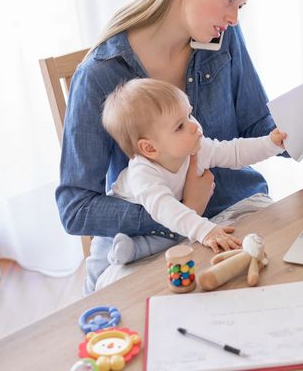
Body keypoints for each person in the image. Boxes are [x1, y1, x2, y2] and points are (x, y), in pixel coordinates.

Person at [56, 0, 303, 295]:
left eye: (241, 4)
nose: (234, 19)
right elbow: (75, 208)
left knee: (301, 286)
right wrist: (181, 211)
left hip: (239, 209)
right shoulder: (101, 74)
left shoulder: (224, 38)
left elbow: (254, 124)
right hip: (150, 237)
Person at [101, 78, 286, 269]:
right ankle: (128, 251)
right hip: (131, 228)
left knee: (172, 236)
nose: (195, 126)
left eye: (189, 115)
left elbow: (234, 152)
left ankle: (133, 249)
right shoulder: (143, 173)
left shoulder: (195, 147)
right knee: (151, 239)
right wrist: (205, 231)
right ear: (149, 148)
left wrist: (270, 144)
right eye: (180, 126)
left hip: (168, 224)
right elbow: (164, 208)